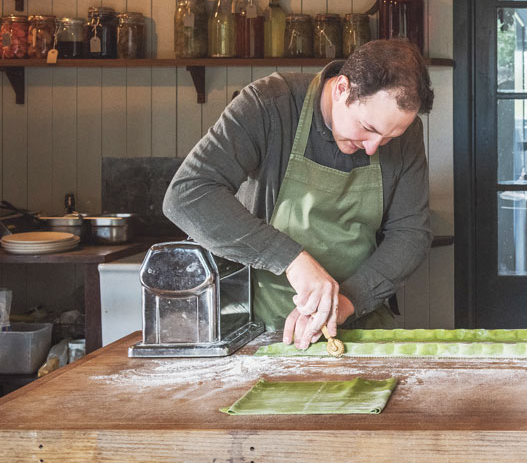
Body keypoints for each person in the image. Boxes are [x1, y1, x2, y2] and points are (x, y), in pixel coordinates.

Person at [163, 39, 434, 350]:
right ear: (342, 89)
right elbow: (187, 194)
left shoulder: (405, 133)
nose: (374, 147)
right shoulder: (268, 104)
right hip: (259, 329)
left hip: (361, 322)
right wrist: (292, 260)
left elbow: (411, 234)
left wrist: (344, 302)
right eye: (367, 128)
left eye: (389, 138)